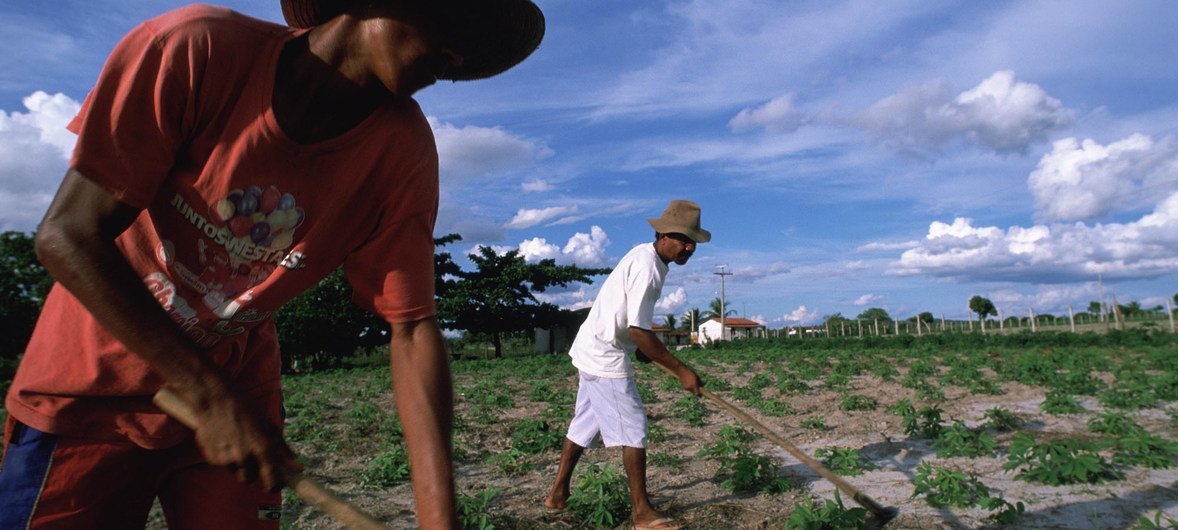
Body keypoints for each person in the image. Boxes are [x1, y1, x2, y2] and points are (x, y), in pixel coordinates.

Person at [0, 0, 543, 528]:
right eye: (446, 15)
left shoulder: (400, 151)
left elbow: (411, 327)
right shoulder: (196, 49)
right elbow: (67, 235)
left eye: (467, 44)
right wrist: (210, 397)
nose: (454, 53)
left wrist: (438, 521)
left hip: (241, 398)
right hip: (93, 391)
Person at [544, 200, 710, 530]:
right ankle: (642, 513)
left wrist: (640, 348)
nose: (688, 246)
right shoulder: (649, 267)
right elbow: (638, 329)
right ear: (662, 234)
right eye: (682, 239)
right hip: (604, 353)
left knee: (584, 424)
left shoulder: (646, 257)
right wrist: (682, 370)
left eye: (691, 241)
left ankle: (557, 495)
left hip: (595, 345)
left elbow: (629, 323)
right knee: (634, 427)